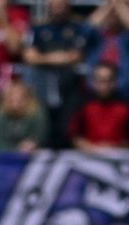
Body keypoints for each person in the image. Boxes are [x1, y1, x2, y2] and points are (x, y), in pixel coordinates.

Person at [22, 0, 89, 149]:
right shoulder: (39, 29)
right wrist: (57, 58)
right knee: (44, 126)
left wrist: (44, 58)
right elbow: (29, 56)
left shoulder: (76, 28)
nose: (58, 9)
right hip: (42, 85)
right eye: (55, 5)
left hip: (68, 87)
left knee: (67, 127)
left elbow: (76, 56)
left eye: (61, 5)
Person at [68, 62, 129, 152]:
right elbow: (74, 135)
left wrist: (113, 148)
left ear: (114, 82)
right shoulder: (83, 105)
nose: (103, 85)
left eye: (107, 80)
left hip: (118, 158)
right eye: (99, 80)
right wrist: (91, 148)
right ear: (93, 81)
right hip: (88, 158)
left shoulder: (126, 107)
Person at [85, 0, 129, 100]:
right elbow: (87, 27)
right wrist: (110, 5)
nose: (113, 16)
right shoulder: (97, 36)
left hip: (122, 87)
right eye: (110, 14)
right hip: (96, 85)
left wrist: (119, 5)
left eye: (116, 14)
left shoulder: (127, 37)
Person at [0, 80, 48, 153]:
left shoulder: (36, 113)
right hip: (4, 154)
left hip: (32, 155)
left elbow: (39, 138)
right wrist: (16, 150)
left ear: (27, 100)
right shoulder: (0, 112)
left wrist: (33, 144)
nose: (15, 105)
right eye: (11, 101)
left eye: (20, 101)